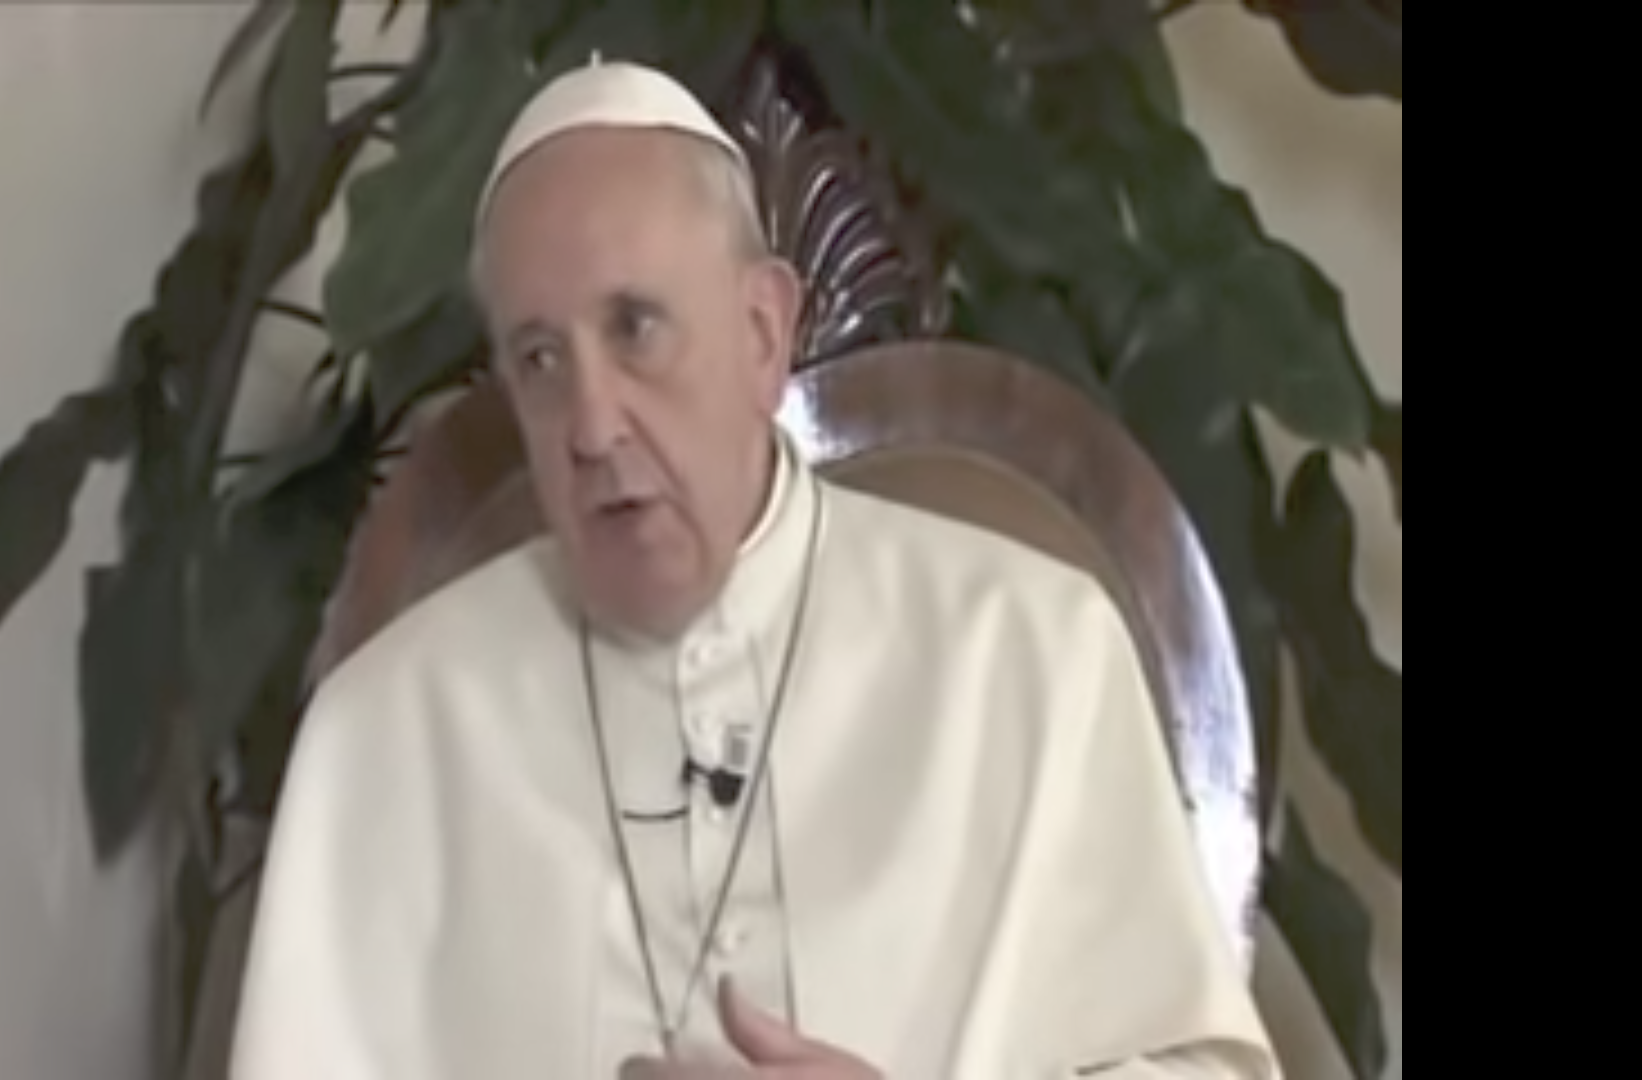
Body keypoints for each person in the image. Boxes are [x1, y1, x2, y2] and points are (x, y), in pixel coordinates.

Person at [231, 60, 1281, 1080]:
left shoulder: (1032, 649)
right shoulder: (382, 730)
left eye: (637, 329)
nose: (592, 425)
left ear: (763, 333)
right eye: (541, 359)